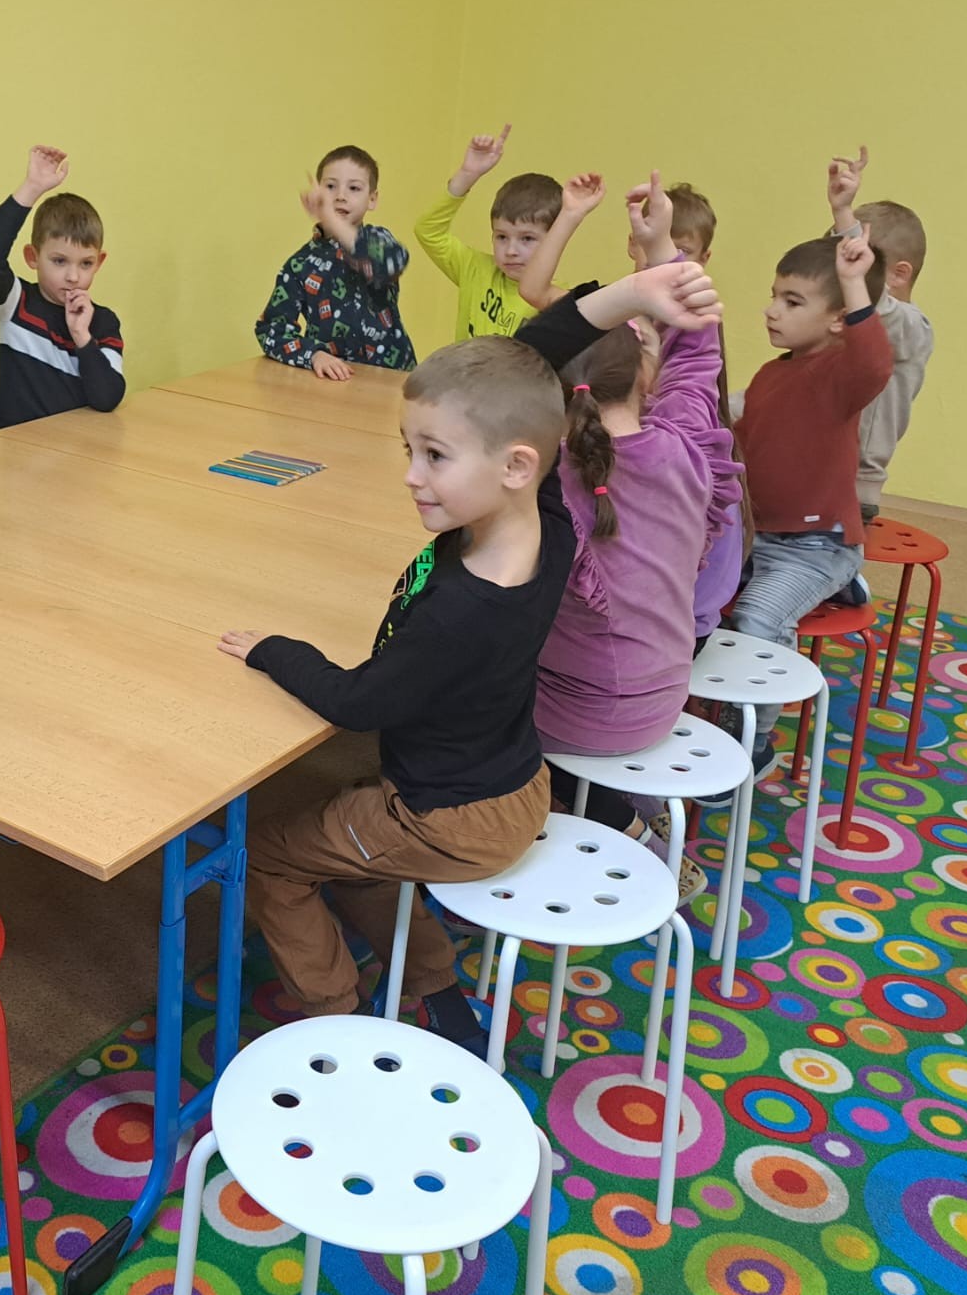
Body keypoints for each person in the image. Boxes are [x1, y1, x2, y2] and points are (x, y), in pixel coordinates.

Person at [218, 258, 724, 1048]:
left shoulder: (460, 613)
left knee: (270, 855)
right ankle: (434, 985)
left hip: (450, 817)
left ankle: (334, 1022)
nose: (411, 476)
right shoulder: (550, 519)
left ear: (516, 464)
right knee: (351, 837)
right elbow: (530, 358)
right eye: (409, 449)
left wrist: (273, 648)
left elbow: (357, 702)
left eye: (435, 456)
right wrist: (629, 293)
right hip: (515, 784)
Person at [534, 178, 741, 902]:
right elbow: (700, 356)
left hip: (582, 715)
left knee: (473, 706)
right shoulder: (687, 445)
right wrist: (661, 256)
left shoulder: (548, 479)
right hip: (668, 691)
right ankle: (640, 808)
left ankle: (627, 830)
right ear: (642, 370)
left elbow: (515, 356)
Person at [729, 229, 893, 773]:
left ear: (837, 318)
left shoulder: (839, 374)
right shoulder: (770, 374)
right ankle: (843, 587)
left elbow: (875, 364)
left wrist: (853, 283)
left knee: (756, 619)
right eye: (774, 296)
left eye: (792, 301)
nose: (771, 310)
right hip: (759, 537)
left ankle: (755, 742)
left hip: (815, 547)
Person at [0, 145, 125, 427]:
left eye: (86, 263)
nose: (73, 276)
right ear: (33, 257)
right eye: (59, 261)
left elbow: (107, 399)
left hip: (80, 451)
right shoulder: (16, 304)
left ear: (99, 262)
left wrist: (82, 337)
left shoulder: (103, 322)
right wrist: (32, 188)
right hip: (17, 452)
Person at [824, 145, 934, 525]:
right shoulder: (854, 320)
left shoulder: (910, 327)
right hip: (816, 461)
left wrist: (844, 216)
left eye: (860, 263)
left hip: (851, 484)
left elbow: (876, 303)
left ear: (899, 274)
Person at [254, 145, 415, 376]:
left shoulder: (379, 241)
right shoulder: (301, 263)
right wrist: (314, 355)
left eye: (354, 188)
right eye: (330, 186)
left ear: (372, 199)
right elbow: (271, 329)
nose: (341, 196)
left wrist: (329, 217)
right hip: (333, 382)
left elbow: (391, 262)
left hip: (392, 377)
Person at [414, 123, 565, 338]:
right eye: (502, 237)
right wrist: (467, 175)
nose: (511, 250)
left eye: (527, 238)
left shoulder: (556, 301)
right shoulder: (474, 269)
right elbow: (428, 230)